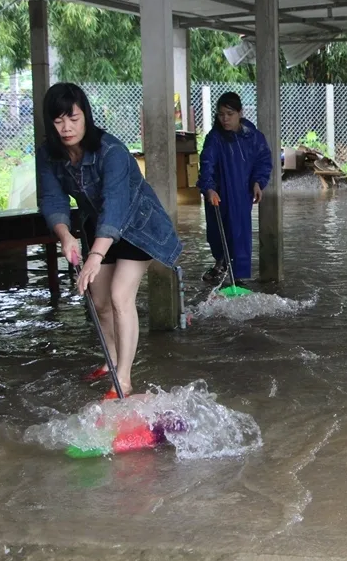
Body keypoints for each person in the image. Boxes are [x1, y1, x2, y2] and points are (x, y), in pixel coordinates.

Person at [36, 82, 183, 398]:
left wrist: (94, 255)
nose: (66, 128)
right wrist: (66, 236)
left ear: (85, 116)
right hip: (97, 225)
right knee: (100, 303)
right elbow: (52, 199)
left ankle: (124, 379)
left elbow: (116, 203)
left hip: (137, 226)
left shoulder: (111, 151)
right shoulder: (48, 155)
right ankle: (111, 361)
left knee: (119, 297)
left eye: (73, 118)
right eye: (58, 121)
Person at [197, 92, 272, 284]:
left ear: (240, 113)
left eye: (229, 114)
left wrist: (258, 182)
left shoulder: (253, 137)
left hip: (241, 194)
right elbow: (207, 164)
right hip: (218, 194)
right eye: (221, 114)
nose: (225, 119)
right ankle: (221, 264)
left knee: (239, 233)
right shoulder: (214, 138)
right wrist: (208, 188)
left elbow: (263, 161)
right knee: (217, 232)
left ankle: (238, 278)